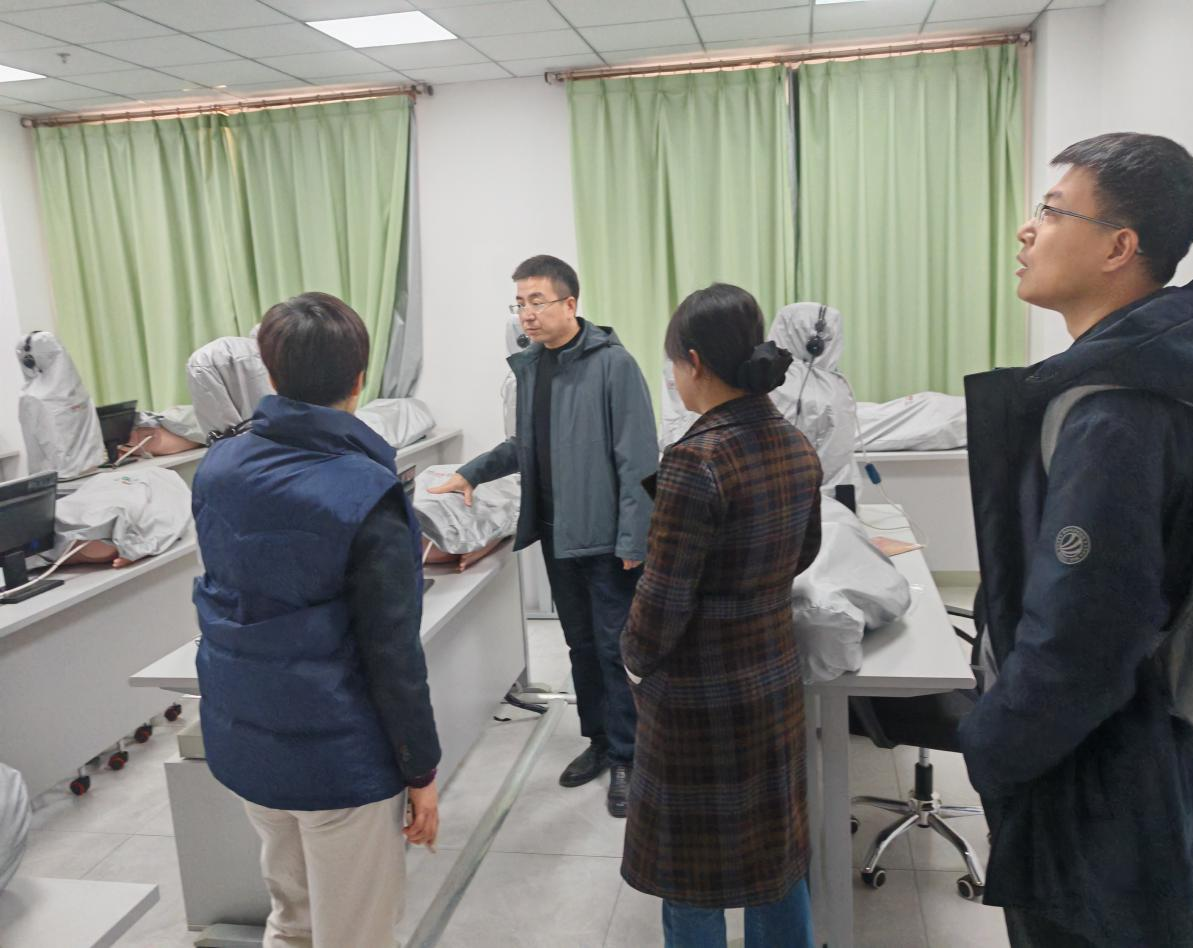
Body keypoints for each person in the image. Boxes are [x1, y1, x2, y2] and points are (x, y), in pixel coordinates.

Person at [958, 133, 1193, 947]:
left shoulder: (1117, 414)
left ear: (1119, 248)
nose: (1027, 229)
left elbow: (1081, 644)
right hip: (1174, 737)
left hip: (1099, 771)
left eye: (1053, 211)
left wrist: (989, 743)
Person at [193, 292, 440, 948]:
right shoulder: (365, 492)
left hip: (249, 738)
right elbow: (393, 654)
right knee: (355, 933)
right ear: (359, 379)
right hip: (340, 758)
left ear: (271, 374)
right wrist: (421, 770)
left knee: (292, 918)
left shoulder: (217, 468)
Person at [620, 283, 823, 947]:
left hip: (697, 700)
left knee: (691, 873)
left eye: (673, 364)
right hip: (772, 679)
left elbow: (663, 600)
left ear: (695, 362)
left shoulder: (695, 459)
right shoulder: (793, 443)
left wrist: (634, 660)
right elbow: (805, 552)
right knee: (775, 860)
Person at [429, 255, 658, 817]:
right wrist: (471, 473)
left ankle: (629, 756)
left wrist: (635, 540)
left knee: (615, 650)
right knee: (580, 646)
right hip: (558, 536)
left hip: (606, 541)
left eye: (537, 301)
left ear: (570, 304)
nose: (526, 314)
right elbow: (523, 446)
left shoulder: (614, 365)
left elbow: (638, 462)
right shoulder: (532, 367)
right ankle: (599, 741)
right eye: (519, 304)